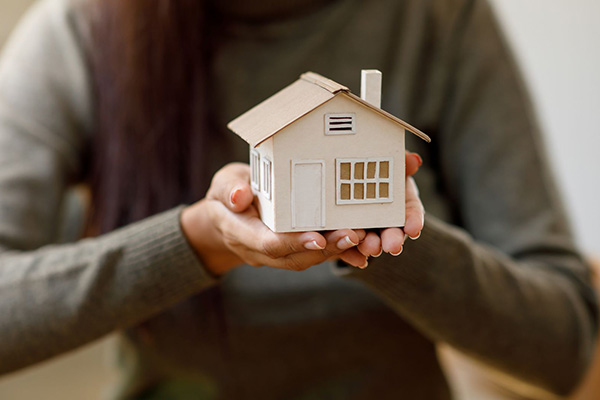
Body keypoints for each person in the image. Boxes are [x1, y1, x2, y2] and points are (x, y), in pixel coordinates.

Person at [0, 0, 596, 398]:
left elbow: (563, 341)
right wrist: (194, 243)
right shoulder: (84, 29)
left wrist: (392, 242)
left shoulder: (437, 19)